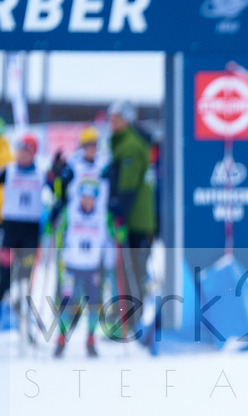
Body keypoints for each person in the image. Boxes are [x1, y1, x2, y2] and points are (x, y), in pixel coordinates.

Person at [107, 101, 156, 332]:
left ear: (126, 120)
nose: (111, 123)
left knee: (132, 271)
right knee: (134, 270)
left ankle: (133, 320)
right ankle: (130, 318)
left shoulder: (129, 145)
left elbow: (128, 184)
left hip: (135, 219)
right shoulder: (128, 142)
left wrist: (119, 210)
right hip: (141, 219)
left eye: (115, 118)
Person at [53, 180, 113, 358]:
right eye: (84, 197)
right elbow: (58, 232)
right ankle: (61, 339)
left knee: (94, 305)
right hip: (72, 266)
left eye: (91, 198)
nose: (87, 201)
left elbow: (111, 237)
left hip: (92, 268)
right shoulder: (69, 212)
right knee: (67, 305)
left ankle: (91, 339)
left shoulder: (103, 215)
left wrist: (119, 228)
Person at [0, 133, 47, 310]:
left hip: (30, 228)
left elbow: (54, 188)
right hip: (11, 226)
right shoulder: (9, 170)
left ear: (33, 153)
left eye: (27, 152)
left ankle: (21, 306)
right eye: (20, 150)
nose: (22, 155)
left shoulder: (40, 173)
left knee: (25, 271)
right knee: (5, 270)